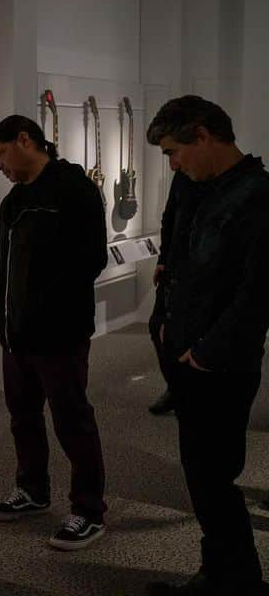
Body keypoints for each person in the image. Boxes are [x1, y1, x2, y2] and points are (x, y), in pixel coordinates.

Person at [143, 96, 269, 596]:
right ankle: (221, 573)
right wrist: (163, 324)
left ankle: (236, 580)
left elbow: (257, 295)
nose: (172, 164)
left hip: (218, 364)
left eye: (175, 152)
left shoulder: (257, 197)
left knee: (214, 479)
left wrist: (206, 353)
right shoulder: (199, 185)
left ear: (202, 135)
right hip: (188, 352)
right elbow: (179, 255)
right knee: (204, 477)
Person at [0, 115, 108, 551]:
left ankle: (89, 510)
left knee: (72, 420)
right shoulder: (12, 203)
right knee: (23, 418)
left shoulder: (74, 190)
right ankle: (33, 490)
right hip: (16, 337)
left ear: (25, 140)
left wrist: (47, 311)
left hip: (60, 336)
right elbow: (4, 263)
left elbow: (90, 261)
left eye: (1, 154)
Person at [147, 171, 205, 416]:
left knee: (193, 332)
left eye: (172, 152)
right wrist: (163, 258)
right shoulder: (182, 176)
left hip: (201, 270)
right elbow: (169, 217)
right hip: (174, 265)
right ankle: (175, 387)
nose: (172, 163)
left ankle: (193, 392)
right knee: (156, 325)